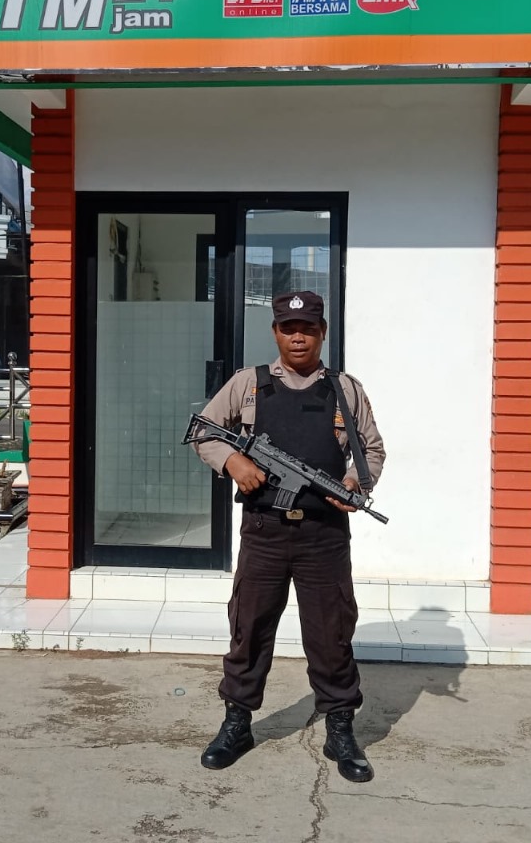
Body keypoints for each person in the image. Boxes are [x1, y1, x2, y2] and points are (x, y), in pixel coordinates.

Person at [190, 290, 386, 783]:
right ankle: (237, 723)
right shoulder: (248, 384)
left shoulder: (346, 389)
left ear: (323, 333)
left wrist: (355, 483)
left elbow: (372, 450)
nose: (298, 337)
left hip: (324, 535)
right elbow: (205, 431)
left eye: (308, 329)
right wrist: (233, 462)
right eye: (288, 328)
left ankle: (340, 727)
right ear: (276, 332)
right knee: (249, 628)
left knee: (331, 633)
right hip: (265, 532)